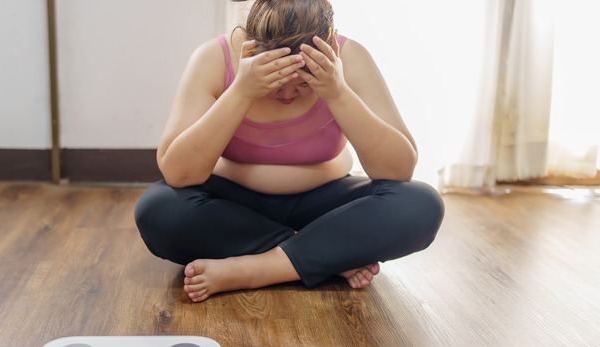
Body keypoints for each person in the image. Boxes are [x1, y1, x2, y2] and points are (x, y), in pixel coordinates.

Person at [134, 0, 444, 302]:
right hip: (235, 204)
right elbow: (178, 171)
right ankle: (326, 254)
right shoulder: (213, 59)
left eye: (303, 84)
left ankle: (256, 270)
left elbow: (399, 169)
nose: (286, 94)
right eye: (276, 81)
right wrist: (242, 90)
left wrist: (336, 92)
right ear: (251, 50)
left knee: (421, 205)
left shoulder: (351, 59)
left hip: (323, 200)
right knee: (158, 210)